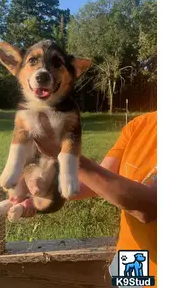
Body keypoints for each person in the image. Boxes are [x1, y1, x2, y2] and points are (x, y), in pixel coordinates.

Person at [10, 111, 157, 288]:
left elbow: (148, 208)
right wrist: (41, 193)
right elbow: (100, 180)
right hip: (132, 260)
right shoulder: (139, 125)